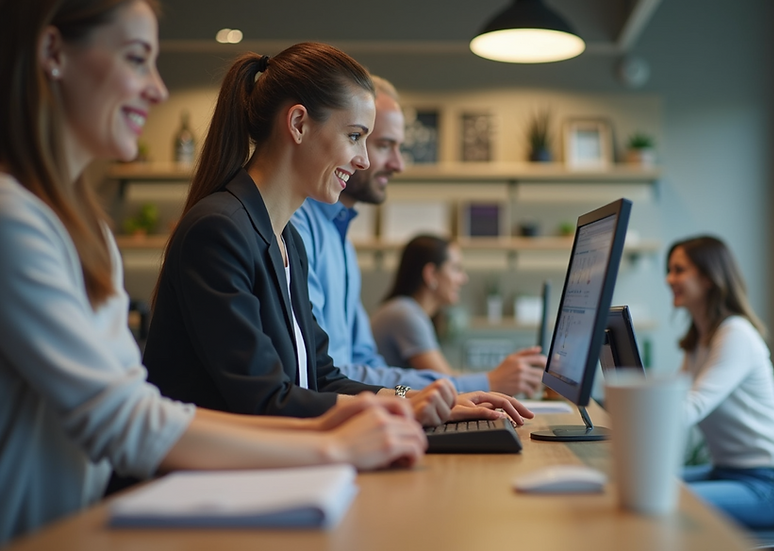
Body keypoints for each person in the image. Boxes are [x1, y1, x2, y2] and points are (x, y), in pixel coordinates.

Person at [0, 0, 427, 544]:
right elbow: (126, 417)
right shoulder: (16, 220)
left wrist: (405, 405)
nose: (157, 89)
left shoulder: (90, 233)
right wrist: (335, 440)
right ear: (53, 53)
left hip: (81, 524)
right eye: (137, 59)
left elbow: (313, 374)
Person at [141, 42, 530, 428]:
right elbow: (263, 399)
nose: (363, 159)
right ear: (297, 124)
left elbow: (325, 378)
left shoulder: (288, 239)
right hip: (203, 480)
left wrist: (414, 397)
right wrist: (399, 409)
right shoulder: (220, 231)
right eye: (354, 136)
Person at [291, 76, 545, 397]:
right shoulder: (298, 228)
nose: (397, 164)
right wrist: (467, 387)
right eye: (384, 145)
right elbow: (325, 375)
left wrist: (412, 397)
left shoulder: (341, 242)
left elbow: (364, 364)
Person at [665, 235, 774, 529]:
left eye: (679, 270)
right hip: (725, 472)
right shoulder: (699, 340)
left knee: (662, 501)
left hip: (766, 484)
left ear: (709, 277)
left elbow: (690, 408)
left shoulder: (735, 334)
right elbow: (673, 401)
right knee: (643, 488)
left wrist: (633, 422)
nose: (669, 278)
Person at [372, 235, 484, 375]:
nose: (463, 279)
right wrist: (495, 379)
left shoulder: (405, 310)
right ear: (431, 274)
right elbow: (447, 383)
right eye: (456, 269)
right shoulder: (405, 315)